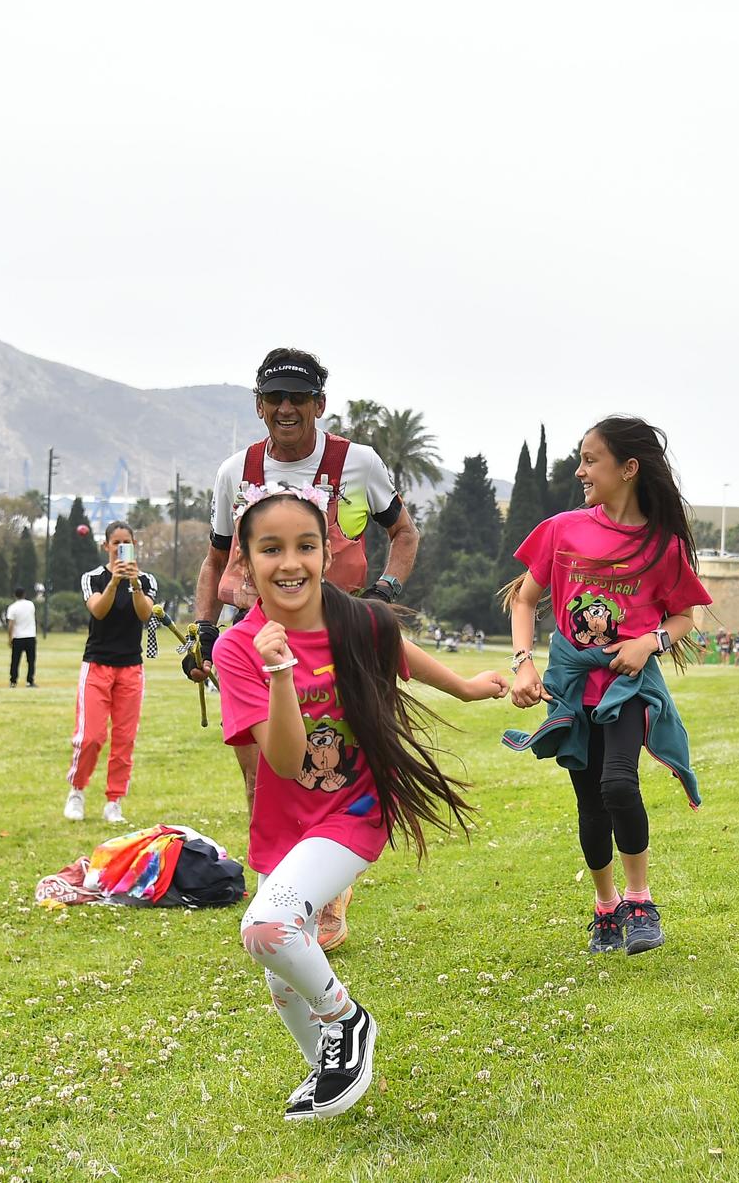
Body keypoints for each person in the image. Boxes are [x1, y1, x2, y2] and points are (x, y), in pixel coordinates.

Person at [219, 489, 503, 1121]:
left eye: (305, 546)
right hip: (287, 822)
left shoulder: (355, 620)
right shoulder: (238, 650)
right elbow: (289, 763)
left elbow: (394, 649)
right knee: (279, 968)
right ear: (245, 563)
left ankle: (347, 1025)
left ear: (327, 552)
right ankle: (326, 1069)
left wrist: (465, 688)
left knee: (267, 928)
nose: (290, 563)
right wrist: (281, 674)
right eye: (271, 549)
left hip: (353, 811)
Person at [192, 347, 420, 950]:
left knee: (334, 760)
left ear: (320, 404)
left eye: (299, 397)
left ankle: (324, 893)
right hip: (257, 637)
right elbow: (217, 557)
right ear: (259, 407)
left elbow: (402, 532)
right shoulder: (233, 471)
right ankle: (287, 881)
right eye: (275, 398)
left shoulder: (357, 462)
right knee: (262, 768)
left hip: (336, 635)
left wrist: (383, 595)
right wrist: (205, 628)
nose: (287, 408)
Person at [507, 416, 711, 957]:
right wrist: (524, 665)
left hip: (626, 691)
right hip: (571, 691)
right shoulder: (563, 529)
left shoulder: (662, 544)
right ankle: (605, 907)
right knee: (590, 806)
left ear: (629, 468)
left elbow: (685, 617)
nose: (580, 471)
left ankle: (640, 901)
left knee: (619, 785)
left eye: (590, 460)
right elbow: (524, 599)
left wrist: (649, 643)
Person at [64, 522, 159, 825]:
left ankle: (114, 801)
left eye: (126, 542)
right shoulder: (92, 578)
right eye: (115, 543)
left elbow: (145, 614)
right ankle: (77, 791)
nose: (120, 548)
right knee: (90, 737)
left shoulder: (145, 580)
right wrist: (114, 582)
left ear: (134, 544)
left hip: (131, 667)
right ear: (106, 546)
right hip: (97, 665)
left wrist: (133, 584)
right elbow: (98, 610)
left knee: (124, 738)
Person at [5, 587, 38, 687]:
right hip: (30, 636)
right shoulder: (31, 605)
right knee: (31, 660)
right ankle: (30, 681)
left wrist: (10, 638)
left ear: (15, 595)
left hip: (18, 636)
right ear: (24, 594)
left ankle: (13, 681)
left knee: (15, 660)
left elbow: (11, 624)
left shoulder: (12, 607)